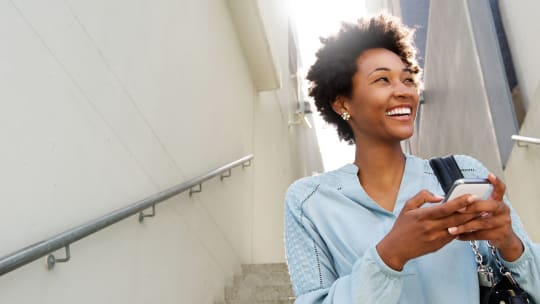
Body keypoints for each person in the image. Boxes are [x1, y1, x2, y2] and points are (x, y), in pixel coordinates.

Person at [284, 14, 540, 303]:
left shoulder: (463, 171)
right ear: (343, 103)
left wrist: (509, 244)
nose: (404, 91)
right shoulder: (309, 202)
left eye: (408, 79)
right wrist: (391, 254)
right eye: (383, 79)